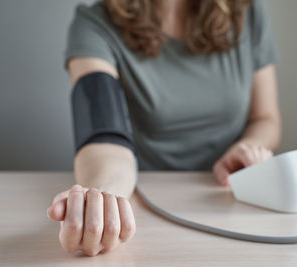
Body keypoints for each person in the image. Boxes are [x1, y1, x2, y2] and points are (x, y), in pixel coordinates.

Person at [46, 0, 281, 256]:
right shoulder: (94, 24)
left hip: (231, 198)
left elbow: (266, 119)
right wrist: (103, 196)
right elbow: (104, 134)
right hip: (146, 205)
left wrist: (248, 148)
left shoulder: (246, 12)